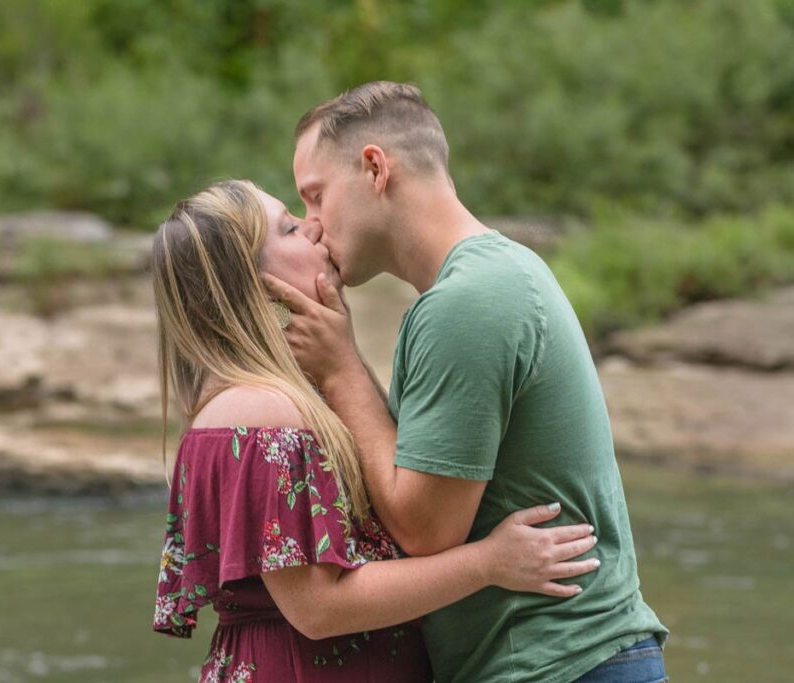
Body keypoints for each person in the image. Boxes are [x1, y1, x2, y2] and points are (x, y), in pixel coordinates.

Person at [262, 81, 669, 683]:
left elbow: (426, 531)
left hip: (557, 665)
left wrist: (342, 368)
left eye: (315, 197)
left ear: (375, 168)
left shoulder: (467, 304)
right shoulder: (500, 272)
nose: (314, 226)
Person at [151, 179, 601, 682]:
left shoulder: (283, 398)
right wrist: (490, 562)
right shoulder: (259, 414)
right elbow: (318, 608)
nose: (315, 227)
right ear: (254, 283)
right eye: (291, 228)